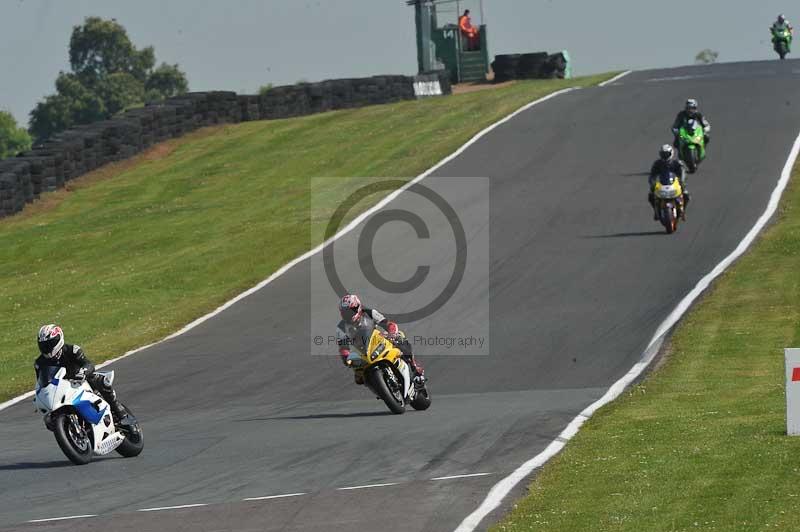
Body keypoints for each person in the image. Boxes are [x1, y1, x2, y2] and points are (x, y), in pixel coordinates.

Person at [34, 324, 128, 421]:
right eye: (44, 346)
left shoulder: (72, 350)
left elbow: (88, 364)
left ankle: (118, 409)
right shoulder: (39, 363)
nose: (47, 348)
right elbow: (42, 382)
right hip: (61, 389)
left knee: (100, 380)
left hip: (80, 381)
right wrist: (38, 397)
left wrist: (83, 372)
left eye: (50, 344)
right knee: (49, 419)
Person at [336, 294, 424, 385]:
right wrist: (346, 356)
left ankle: (415, 367)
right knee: (359, 379)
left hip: (377, 341)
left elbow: (388, 324)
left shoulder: (369, 313)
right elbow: (343, 347)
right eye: (346, 312)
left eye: (351, 311)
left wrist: (392, 333)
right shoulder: (341, 327)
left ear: (358, 307)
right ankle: (380, 389)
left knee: (400, 337)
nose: (349, 314)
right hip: (362, 353)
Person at [648, 144, 690, 220]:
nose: (665, 156)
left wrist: (682, 181)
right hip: (662, 183)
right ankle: (656, 211)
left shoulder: (676, 163)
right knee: (651, 195)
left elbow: (682, 172)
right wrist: (652, 183)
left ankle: (683, 210)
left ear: (671, 153)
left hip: (675, 183)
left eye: (666, 154)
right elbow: (652, 174)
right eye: (663, 154)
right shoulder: (657, 163)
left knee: (686, 195)